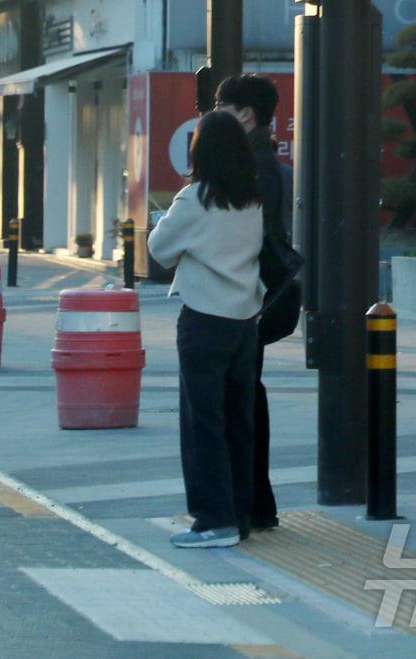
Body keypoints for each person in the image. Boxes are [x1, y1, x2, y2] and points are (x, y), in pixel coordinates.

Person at [148, 111, 265, 548]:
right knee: (238, 420)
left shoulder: (195, 198)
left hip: (203, 321)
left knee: (203, 424)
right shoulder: (251, 200)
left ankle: (214, 521)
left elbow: (158, 250)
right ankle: (238, 514)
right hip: (244, 321)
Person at [214, 73, 292, 532]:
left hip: (249, 300)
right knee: (246, 397)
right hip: (257, 298)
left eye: (222, 104)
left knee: (241, 401)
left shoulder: (253, 164)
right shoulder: (265, 159)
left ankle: (251, 503)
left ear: (245, 113)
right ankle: (257, 502)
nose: (214, 112)